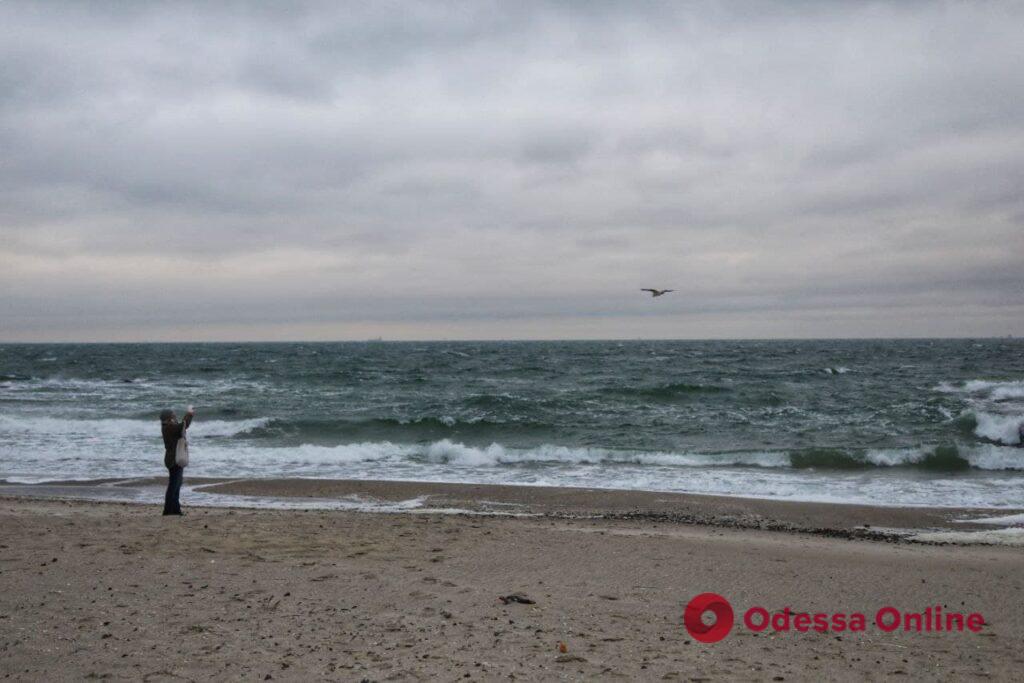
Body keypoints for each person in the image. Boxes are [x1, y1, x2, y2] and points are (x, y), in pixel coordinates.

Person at [160, 406, 194, 515]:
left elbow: (182, 426)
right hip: (174, 459)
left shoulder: (168, 426)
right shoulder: (169, 427)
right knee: (174, 486)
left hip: (173, 459)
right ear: (169, 417)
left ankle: (174, 510)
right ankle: (169, 510)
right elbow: (183, 425)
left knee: (176, 485)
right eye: (173, 414)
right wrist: (189, 413)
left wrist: (188, 415)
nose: (175, 415)